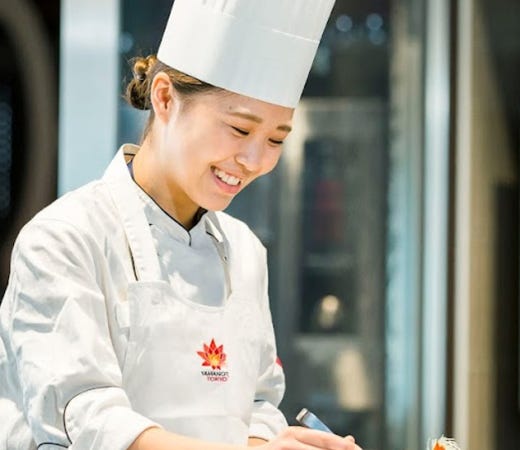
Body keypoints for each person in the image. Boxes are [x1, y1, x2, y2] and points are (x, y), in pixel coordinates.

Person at [0, 1, 362, 449]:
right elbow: (88, 420)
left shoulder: (246, 252)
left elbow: (258, 404)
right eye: (239, 129)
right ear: (165, 97)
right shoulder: (64, 239)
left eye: (275, 139)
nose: (254, 160)